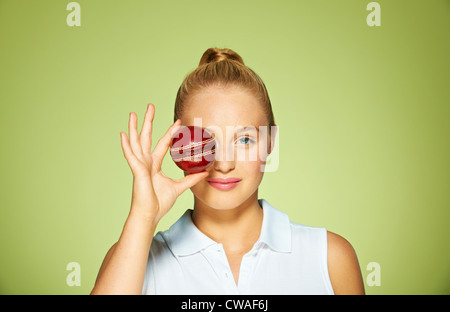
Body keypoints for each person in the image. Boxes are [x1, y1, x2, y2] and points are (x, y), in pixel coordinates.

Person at [90, 48, 365, 295]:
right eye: (204, 141)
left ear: (270, 144)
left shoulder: (329, 258)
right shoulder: (133, 259)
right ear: (179, 148)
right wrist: (143, 217)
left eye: (244, 140)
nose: (223, 164)